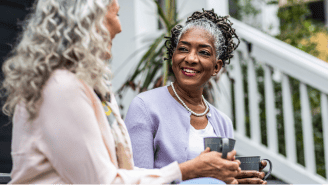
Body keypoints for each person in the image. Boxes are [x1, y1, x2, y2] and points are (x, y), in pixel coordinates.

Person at [1, 0, 241, 184]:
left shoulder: (94, 87)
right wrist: (189, 169)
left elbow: (124, 173)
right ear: (88, 22)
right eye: (114, 15)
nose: (119, 26)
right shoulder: (60, 88)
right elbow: (104, 182)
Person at [125, 9, 267, 184]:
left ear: (217, 67)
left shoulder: (222, 122)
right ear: (173, 57)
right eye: (183, 49)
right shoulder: (145, 107)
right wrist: (195, 172)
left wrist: (237, 181)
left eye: (204, 52)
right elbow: (136, 180)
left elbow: (220, 180)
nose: (191, 58)